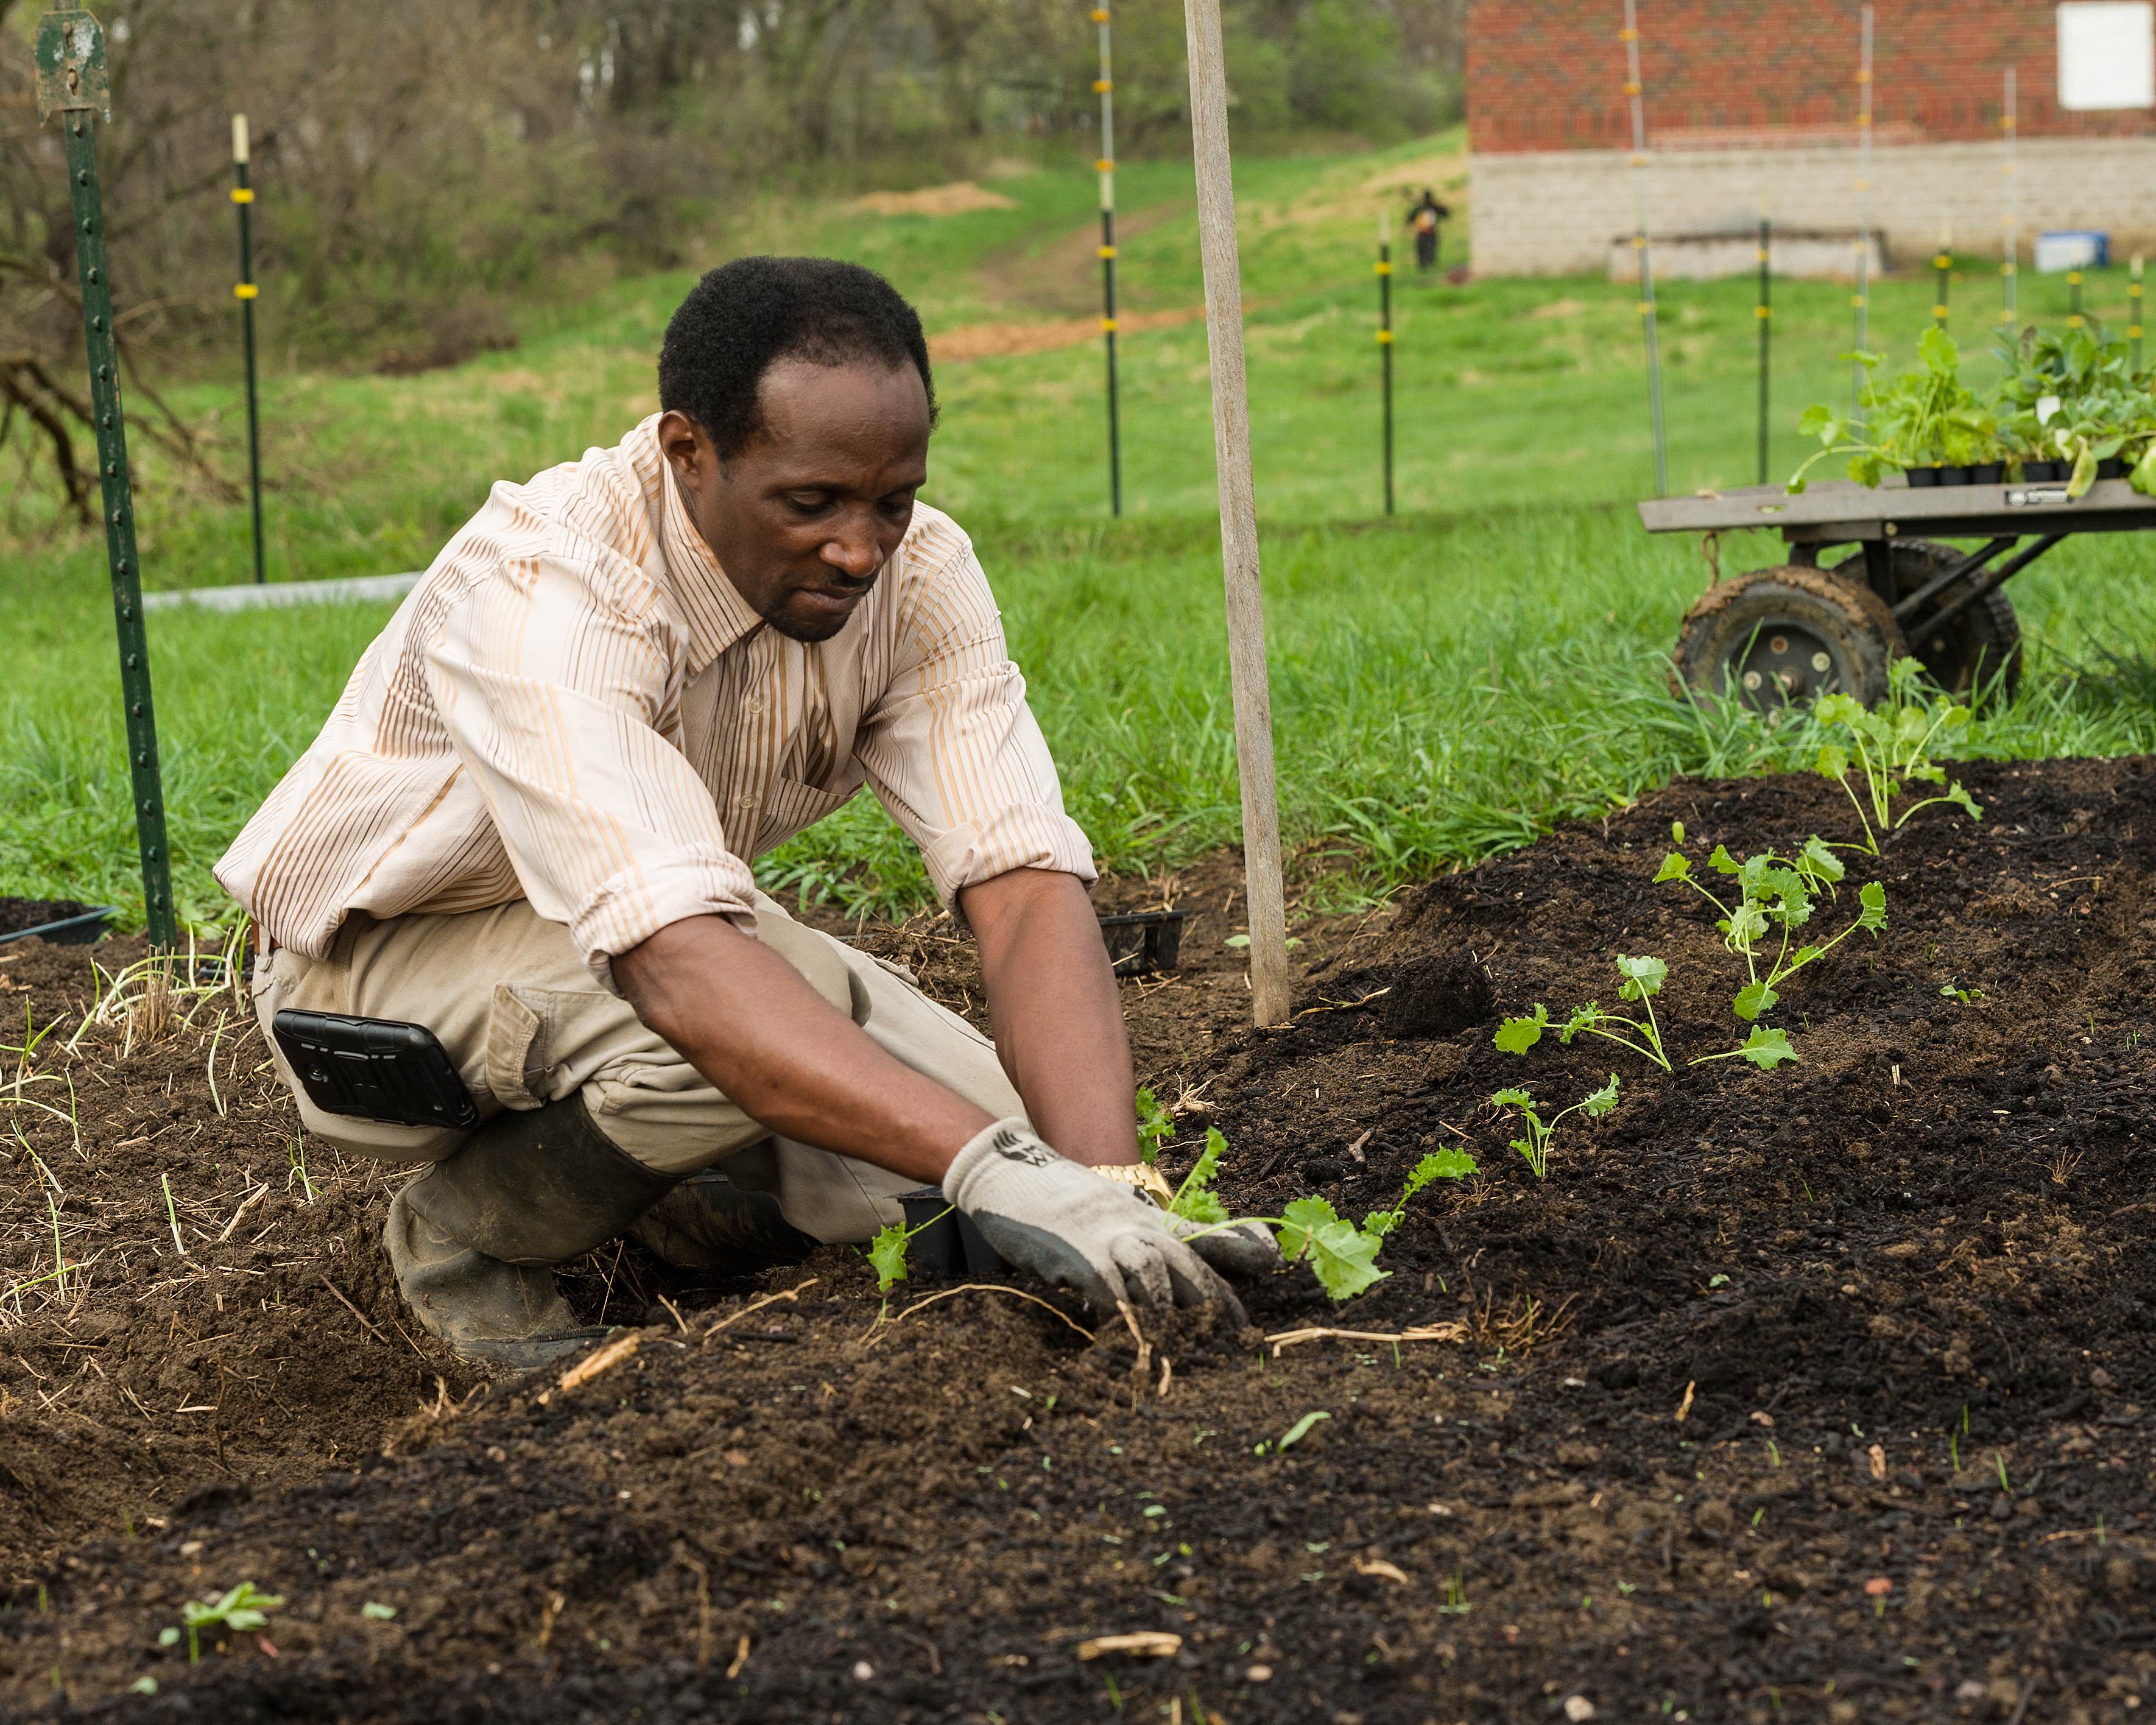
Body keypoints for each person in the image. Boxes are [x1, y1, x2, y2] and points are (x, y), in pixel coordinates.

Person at [218, 257, 1277, 1366]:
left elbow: (1018, 886)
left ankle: (676, 1191)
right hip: (370, 976)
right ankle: (463, 1238)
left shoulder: (922, 578)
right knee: (876, 1079)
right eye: (811, 503)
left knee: (1017, 1147)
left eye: (892, 500)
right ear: (690, 451)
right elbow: (672, 958)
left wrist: (1104, 1190)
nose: (861, 548)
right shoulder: (550, 585)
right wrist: (992, 1168)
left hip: (620, 950)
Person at [1407, 188, 1450, 272]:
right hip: (1422, 233)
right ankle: (1423, 268)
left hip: (1431, 232)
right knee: (1421, 251)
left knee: (1431, 251)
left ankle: (1431, 267)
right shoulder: (1420, 208)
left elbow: (1445, 213)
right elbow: (1411, 217)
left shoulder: (1434, 208)